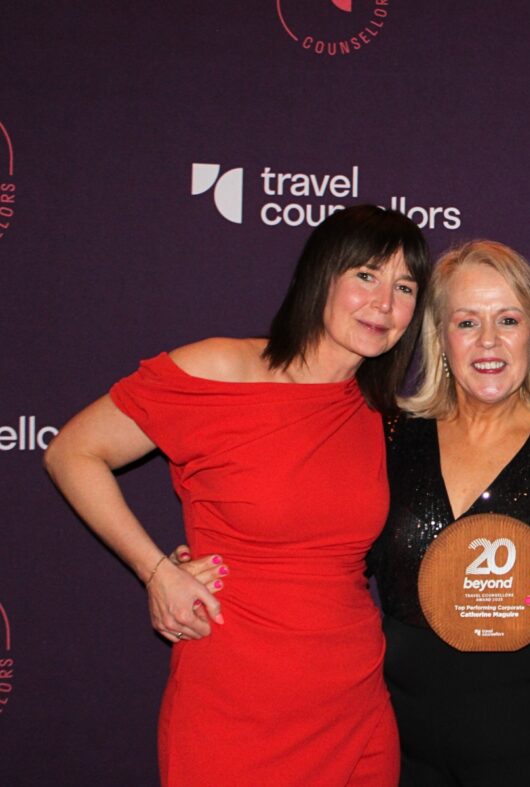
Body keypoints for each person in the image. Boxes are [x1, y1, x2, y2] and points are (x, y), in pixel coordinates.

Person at [43, 205, 431, 786]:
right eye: (366, 275)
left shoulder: (381, 416)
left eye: (404, 287)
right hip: (235, 705)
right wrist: (156, 572)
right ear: (321, 276)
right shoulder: (220, 369)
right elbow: (72, 452)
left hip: (356, 706)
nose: (384, 303)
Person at [365, 239, 530, 787]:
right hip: (405, 741)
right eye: (466, 322)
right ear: (440, 337)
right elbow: (332, 558)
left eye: (508, 319)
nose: (488, 341)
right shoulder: (393, 441)